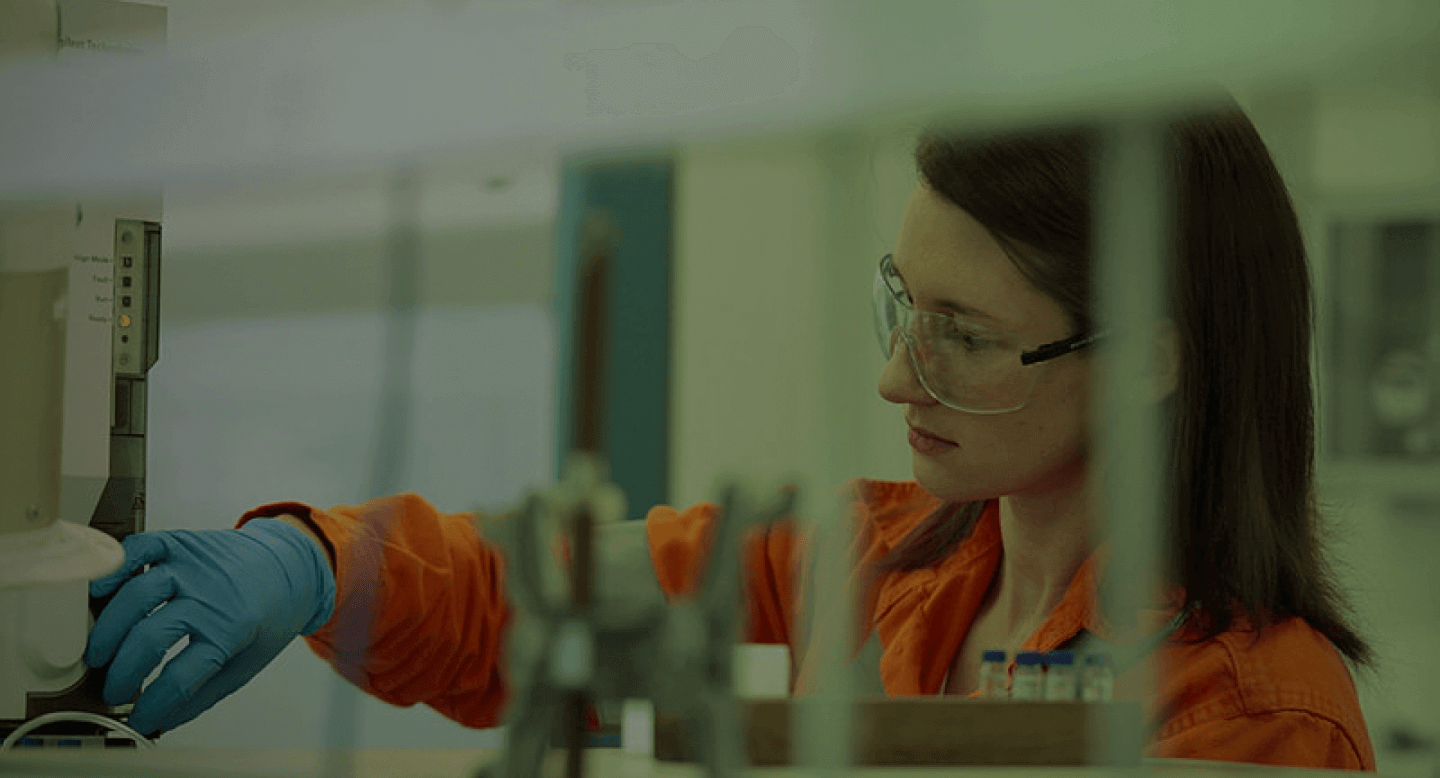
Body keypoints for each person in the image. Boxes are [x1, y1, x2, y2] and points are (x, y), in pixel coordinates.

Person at [84, 100, 1376, 770]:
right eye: (901, 304)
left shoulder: (1254, 712)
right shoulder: (867, 560)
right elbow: (533, 592)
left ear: (1150, 358)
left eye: (964, 334)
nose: (892, 376)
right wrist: (314, 560)